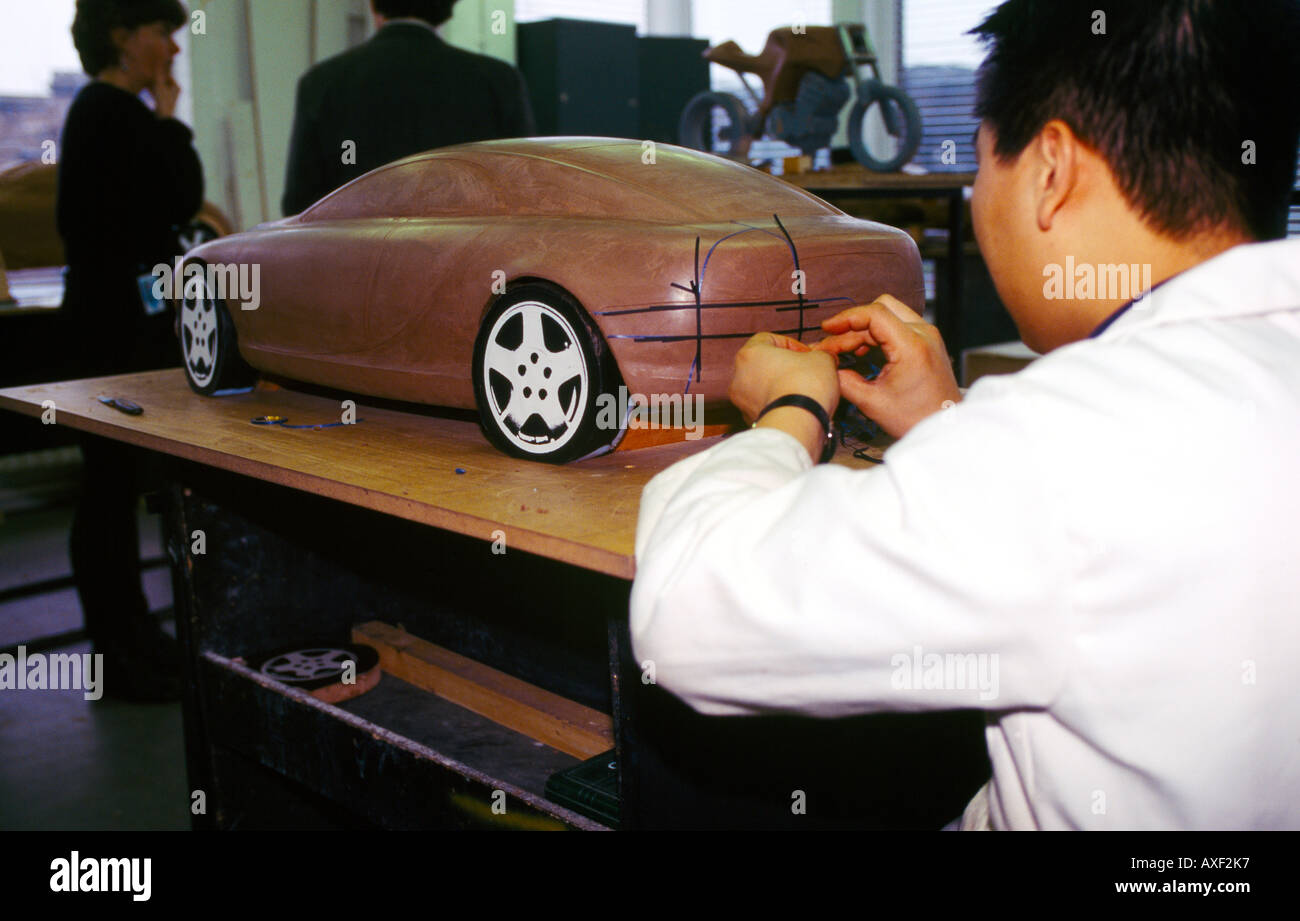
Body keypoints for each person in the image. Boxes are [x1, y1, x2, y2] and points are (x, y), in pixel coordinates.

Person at [630, 0, 1300, 830]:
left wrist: (790, 409)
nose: (979, 204)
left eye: (983, 170)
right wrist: (952, 423)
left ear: (1051, 171)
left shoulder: (1069, 440)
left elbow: (686, 615)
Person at [58, 0, 202, 701]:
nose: (173, 50)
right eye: (162, 34)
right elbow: (178, 195)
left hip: (115, 322)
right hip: (108, 329)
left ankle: (135, 638)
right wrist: (171, 118)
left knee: (117, 489)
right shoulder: (108, 114)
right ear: (122, 37)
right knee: (109, 491)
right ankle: (120, 651)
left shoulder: (112, 115)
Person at [281, 0, 536, 216]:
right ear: (447, 8)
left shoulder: (322, 82)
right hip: (465, 261)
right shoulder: (499, 81)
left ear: (373, 5)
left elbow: (299, 204)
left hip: (358, 260)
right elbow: (525, 188)